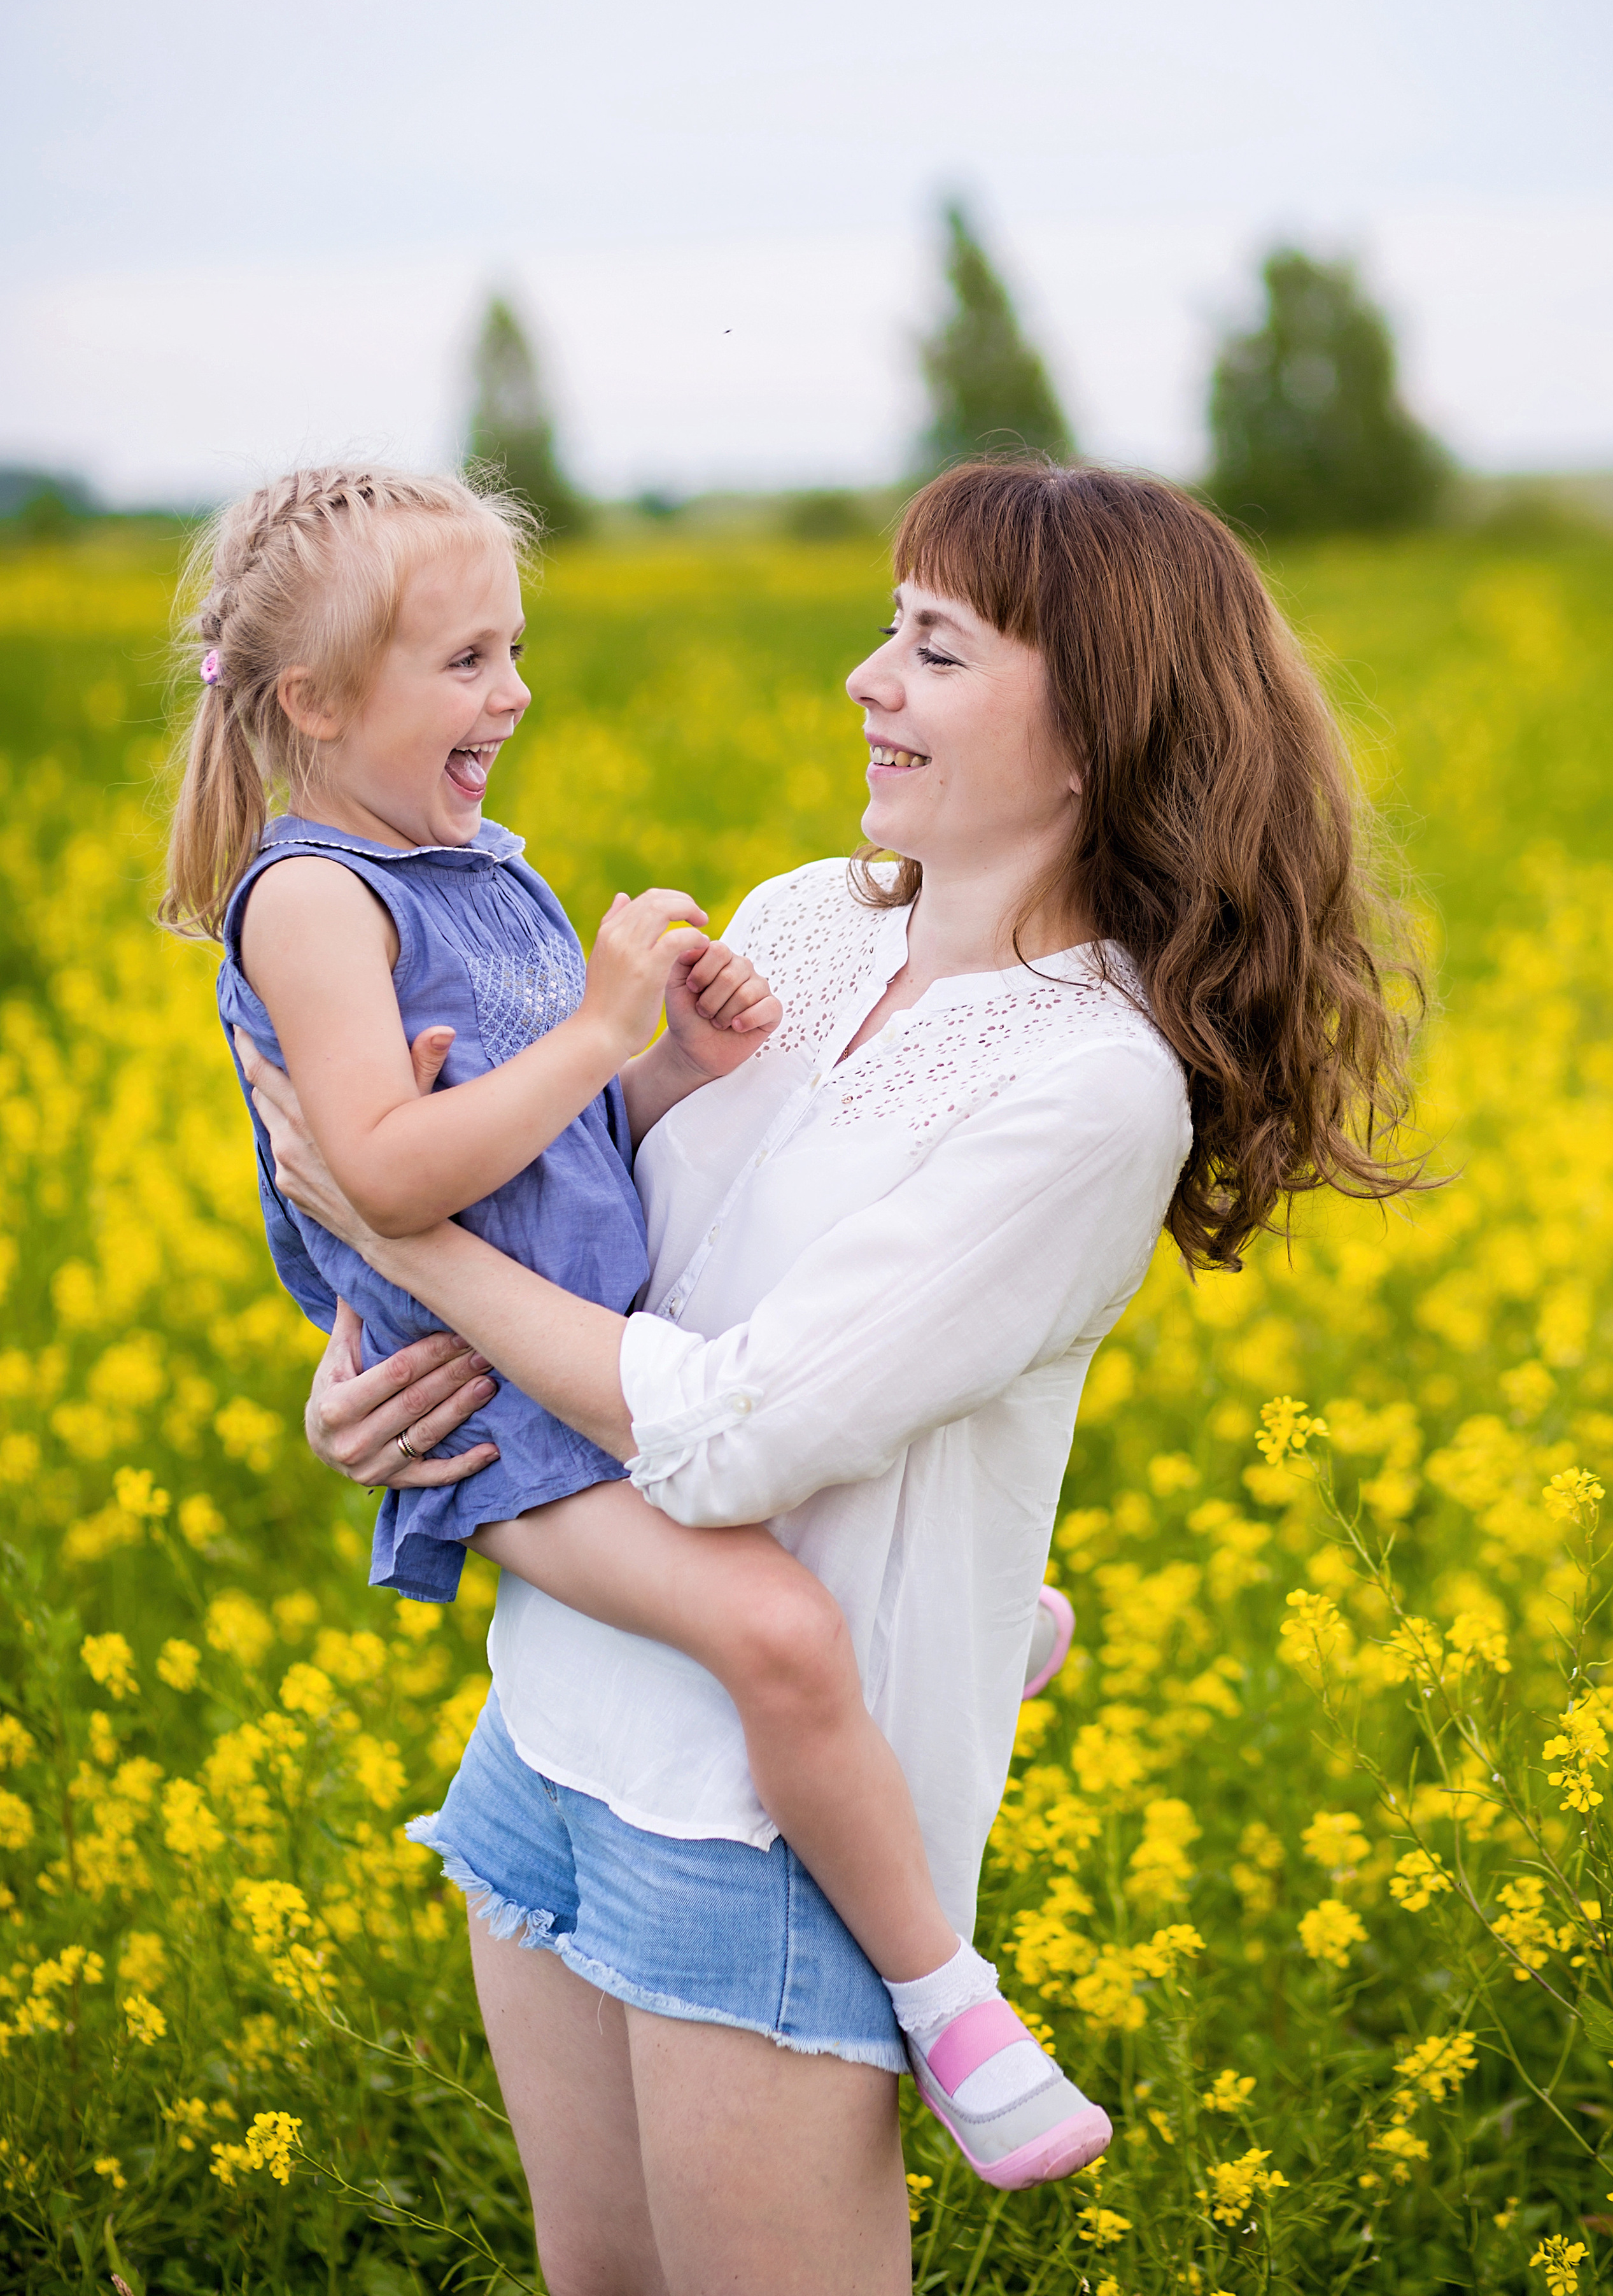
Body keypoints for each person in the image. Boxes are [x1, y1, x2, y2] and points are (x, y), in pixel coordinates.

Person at [250, 457, 1420, 2295]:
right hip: (549, 1731)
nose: (867, 679)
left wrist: (395, 1245)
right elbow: (593, 1237)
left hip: (757, 1834)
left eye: (936, 649)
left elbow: (730, 1436)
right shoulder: (803, 917)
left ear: (1097, 732)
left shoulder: (1088, 1085)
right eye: (889, 630)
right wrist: (368, 1388)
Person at [162, 464, 1106, 2215]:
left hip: (644, 1591)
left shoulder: (480, 869)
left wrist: (662, 1063)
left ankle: (962, 1782)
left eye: (510, 651)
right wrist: (598, 1047)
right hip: (529, 1471)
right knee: (778, 1626)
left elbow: (557, 1178)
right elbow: (386, 1179)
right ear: (315, 702)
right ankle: (952, 1997)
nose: (513, 694)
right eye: (466, 661)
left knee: (786, 1630)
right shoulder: (325, 898)